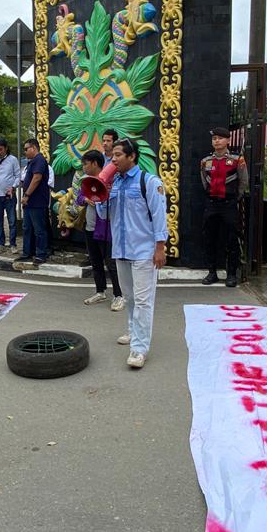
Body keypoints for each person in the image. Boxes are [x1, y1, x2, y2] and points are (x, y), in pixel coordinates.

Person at [99, 138, 168, 369]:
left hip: (144, 251)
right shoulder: (115, 183)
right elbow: (104, 215)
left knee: (143, 301)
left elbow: (160, 216)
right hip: (121, 249)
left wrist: (160, 247)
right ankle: (132, 331)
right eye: (113, 155)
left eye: (118, 154)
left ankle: (139, 349)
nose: (113, 158)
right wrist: (102, 193)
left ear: (132, 157)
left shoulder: (149, 182)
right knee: (129, 298)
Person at [200, 126, 249, 288]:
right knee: (209, 239)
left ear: (227, 140)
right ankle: (212, 272)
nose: (217, 141)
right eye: (214, 139)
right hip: (212, 204)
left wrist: (235, 197)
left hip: (229, 204)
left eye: (220, 138)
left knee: (231, 240)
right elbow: (204, 181)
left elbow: (243, 182)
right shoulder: (206, 161)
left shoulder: (237, 159)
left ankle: (232, 274)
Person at [78, 149, 124, 310]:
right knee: (95, 262)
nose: (83, 167)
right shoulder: (86, 180)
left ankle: (119, 295)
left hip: (105, 228)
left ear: (95, 164)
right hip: (90, 227)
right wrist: (85, 198)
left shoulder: (112, 180)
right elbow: (79, 197)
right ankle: (100, 291)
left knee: (111, 263)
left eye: (85, 164)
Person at [16, 138, 50, 264]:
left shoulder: (39, 160)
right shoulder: (32, 162)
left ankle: (41, 254)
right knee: (27, 228)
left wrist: (27, 195)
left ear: (34, 148)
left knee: (39, 229)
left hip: (37, 201)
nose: (25, 152)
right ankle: (27, 252)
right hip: (30, 203)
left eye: (26, 149)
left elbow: (37, 178)